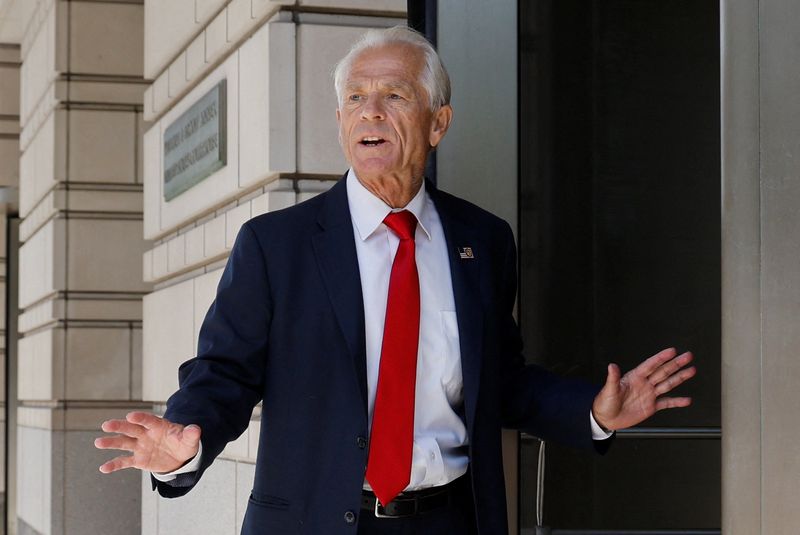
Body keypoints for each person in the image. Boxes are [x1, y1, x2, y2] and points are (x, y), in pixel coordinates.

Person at [95, 26, 695, 535]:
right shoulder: (277, 245)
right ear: (339, 123)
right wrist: (186, 442)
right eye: (355, 98)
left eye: (394, 95)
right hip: (315, 520)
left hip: (451, 517)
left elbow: (501, 381)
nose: (371, 112)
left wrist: (592, 410)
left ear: (438, 123)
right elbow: (223, 372)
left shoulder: (484, 241)